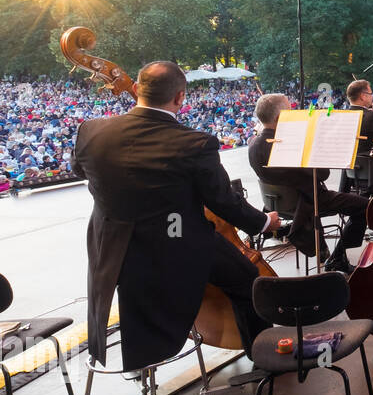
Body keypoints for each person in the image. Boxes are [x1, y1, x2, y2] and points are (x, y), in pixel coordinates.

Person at [73, 62, 282, 370]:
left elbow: (82, 171)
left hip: (115, 255)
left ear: (135, 90)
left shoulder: (90, 131)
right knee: (250, 280)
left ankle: (141, 357)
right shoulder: (195, 143)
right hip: (176, 243)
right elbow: (223, 201)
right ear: (181, 97)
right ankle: (264, 359)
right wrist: (265, 222)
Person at [247, 93, 368, 274]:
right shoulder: (287, 144)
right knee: (365, 206)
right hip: (307, 201)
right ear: (281, 117)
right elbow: (322, 174)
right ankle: (337, 258)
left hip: (280, 204)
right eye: (291, 110)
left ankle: (327, 253)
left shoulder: (253, 143)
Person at [341, 79, 373, 193]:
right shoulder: (372, 116)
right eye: (370, 94)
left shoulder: (343, 116)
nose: (372, 97)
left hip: (349, 170)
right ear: (363, 96)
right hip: (370, 170)